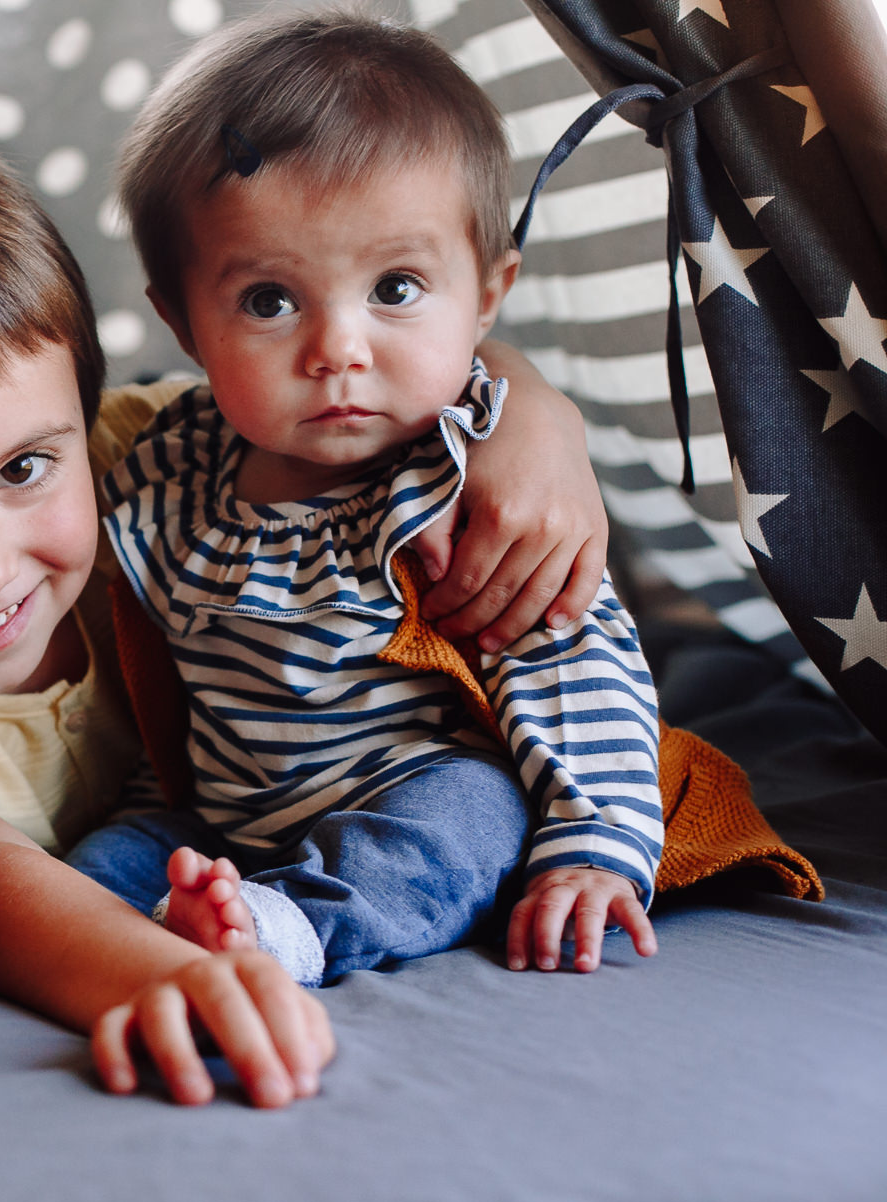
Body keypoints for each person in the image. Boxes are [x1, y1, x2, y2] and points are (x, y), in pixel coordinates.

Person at [0, 111, 605, 1105]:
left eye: (21, 468)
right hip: (143, 874)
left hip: (325, 786)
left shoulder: (141, 458)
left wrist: (532, 414)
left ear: (83, 414)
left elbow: (385, 391)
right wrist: (174, 977)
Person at [79, 12, 660, 987]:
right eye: (269, 300)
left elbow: (570, 659)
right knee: (105, 857)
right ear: (183, 323)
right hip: (224, 813)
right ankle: (24, 936)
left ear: (486, 294)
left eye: (395, 286)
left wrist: (597, 842)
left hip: (412, 787)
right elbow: (168, 685)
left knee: (468, 817)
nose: (338, 348)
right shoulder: (168, 474)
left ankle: (296, 928)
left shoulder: (466, 479)